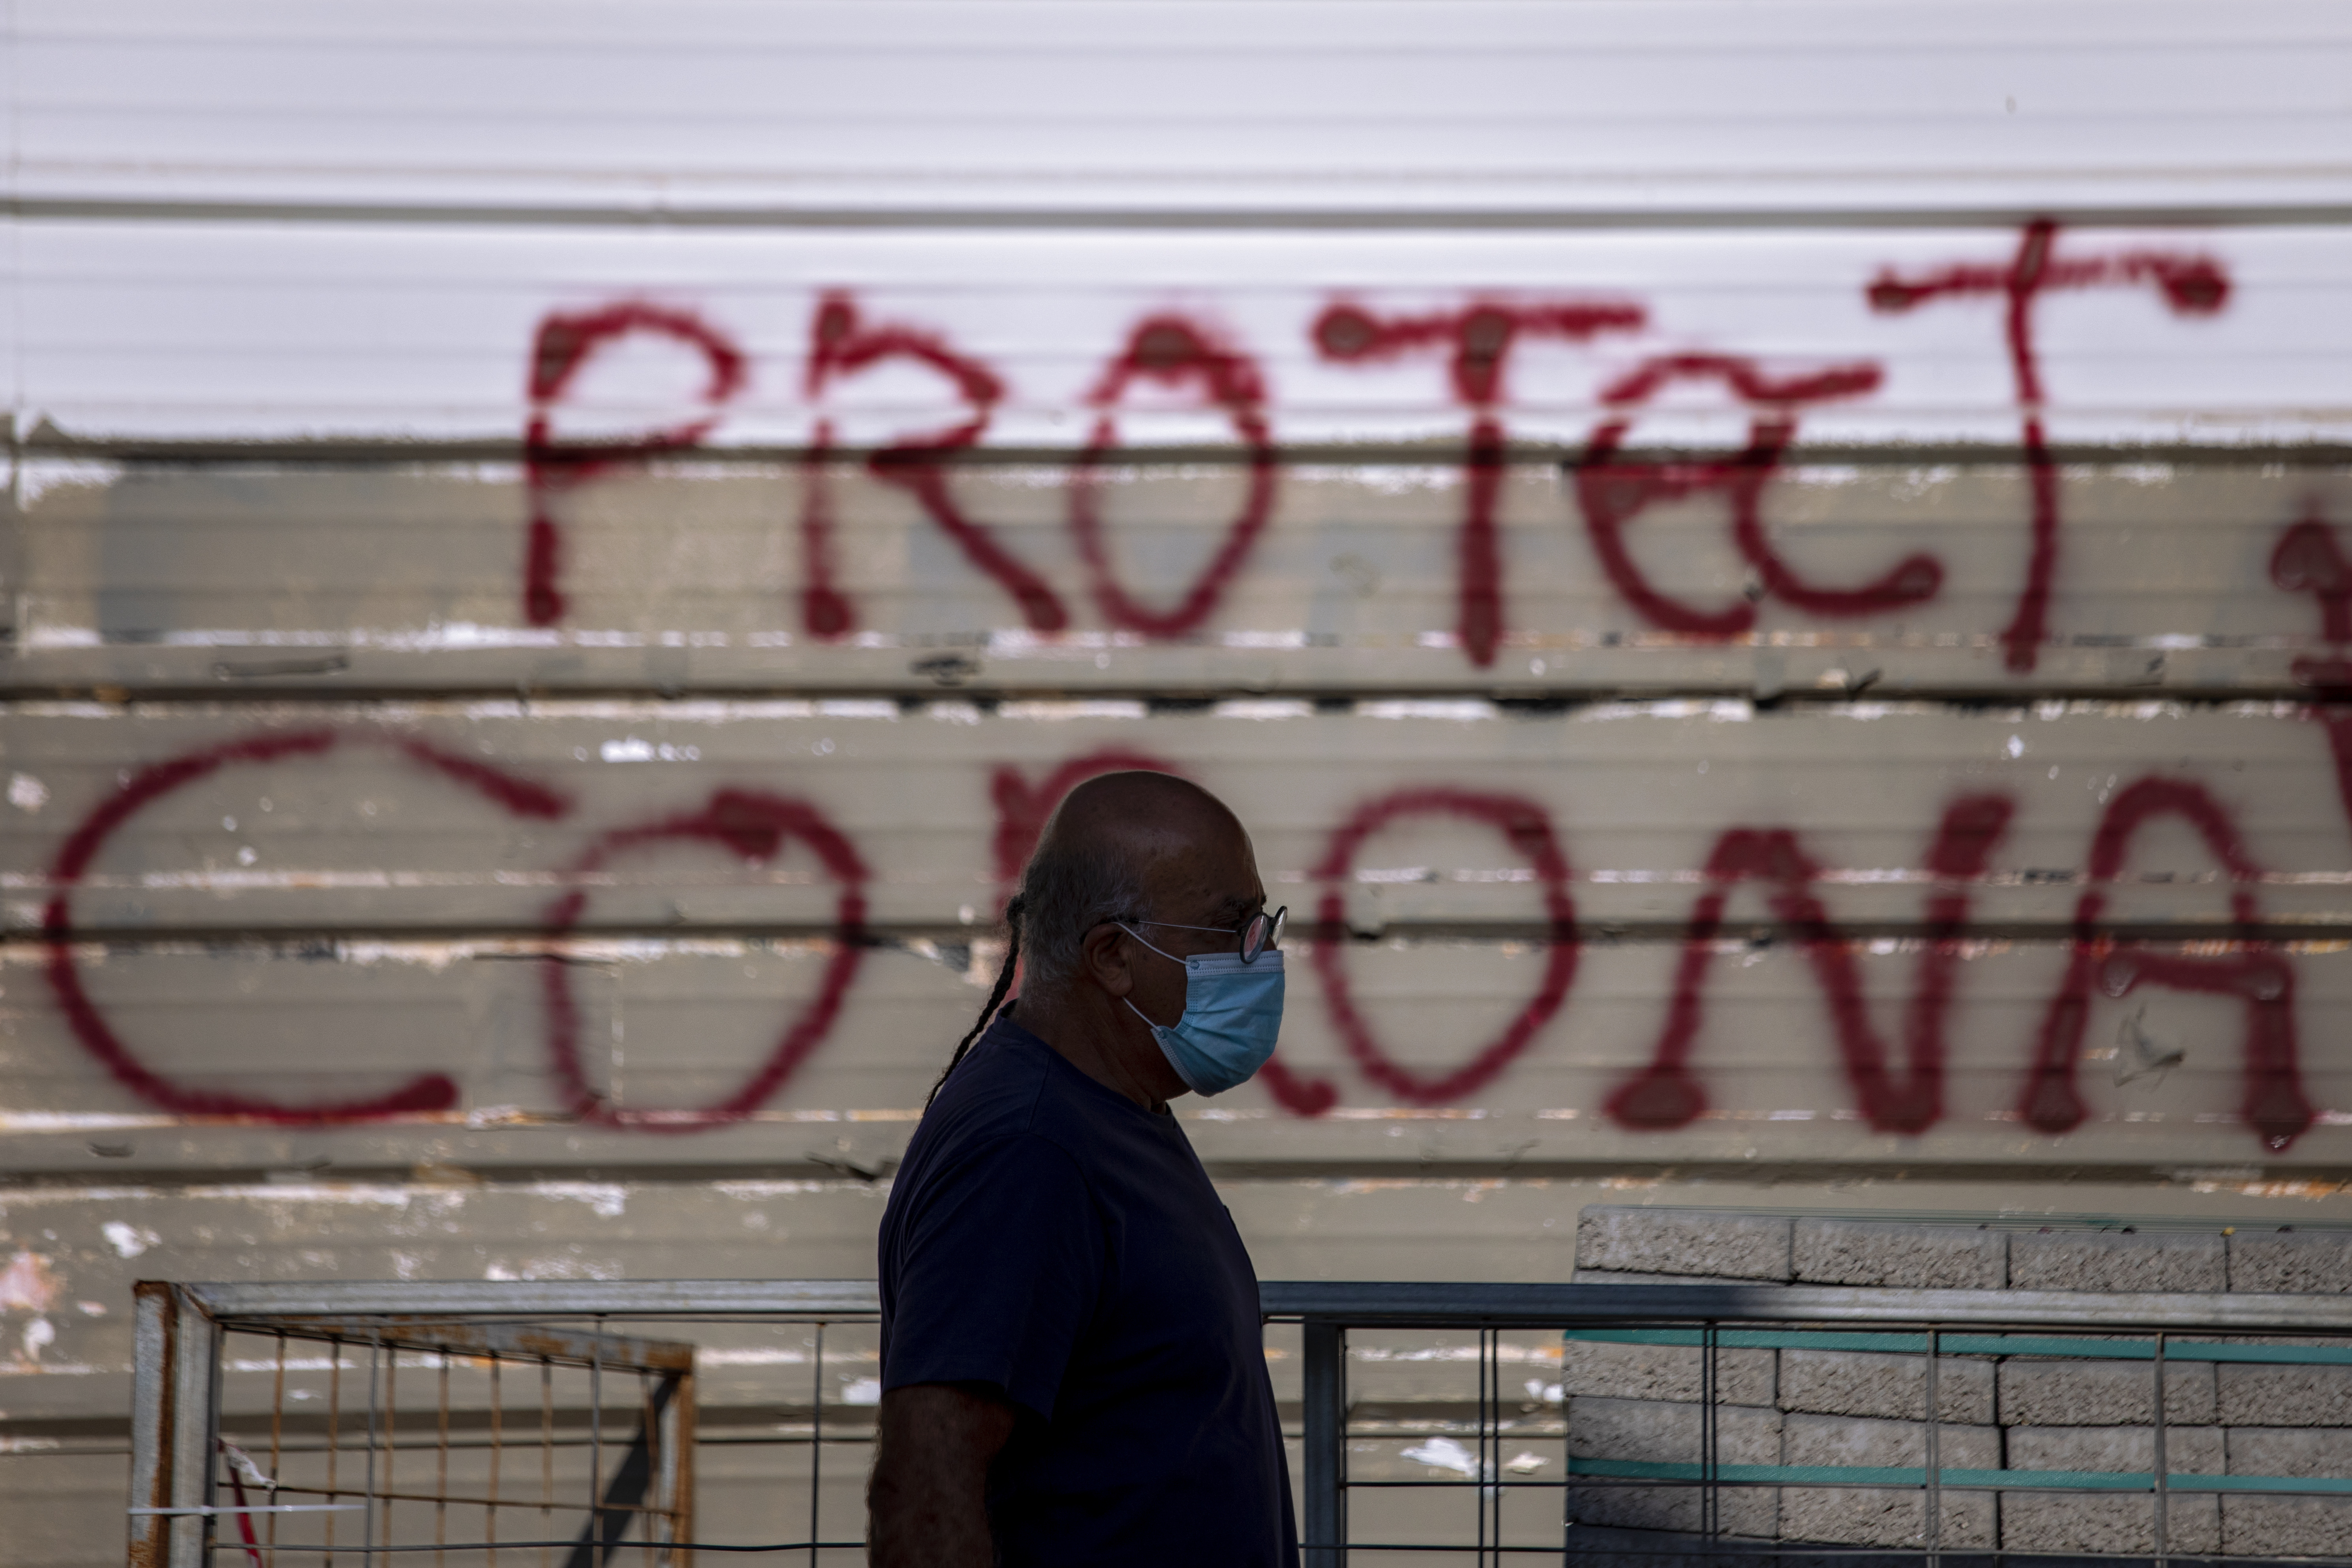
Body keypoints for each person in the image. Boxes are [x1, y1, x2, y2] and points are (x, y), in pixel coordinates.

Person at [867, 771, 1298, 1568]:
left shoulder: (1115, 1105)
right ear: (1113, 957)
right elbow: (928, 1482)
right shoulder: (1029, 1149)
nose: (1261, 956)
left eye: (1261, 925)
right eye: (1230, 928)